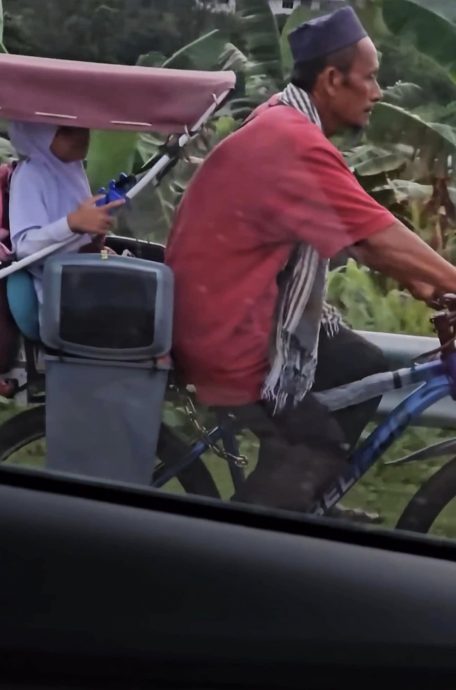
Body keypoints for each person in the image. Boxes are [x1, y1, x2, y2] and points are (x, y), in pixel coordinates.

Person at [165, 6, 456, 513]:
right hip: (228, 330)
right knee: (315, 444)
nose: (378, 92)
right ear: (331, 79)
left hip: (240, 307)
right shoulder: (291, 141)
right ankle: (249, 543)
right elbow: (378, 235)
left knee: (362, 367)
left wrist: (428, 285)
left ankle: (303, 495)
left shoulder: (283, 117)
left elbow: (362, 240)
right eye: (369, 78)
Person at [8, 122, 124, 304]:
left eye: (83, 125)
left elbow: (76, 240)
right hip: (60, 300)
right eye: (66, 130)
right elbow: (24, 249)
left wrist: (95, 236)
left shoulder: (72, 170)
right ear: (38, 135)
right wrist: (71, 224)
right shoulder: (30, 175)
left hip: (85, 281)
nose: (82, 135)